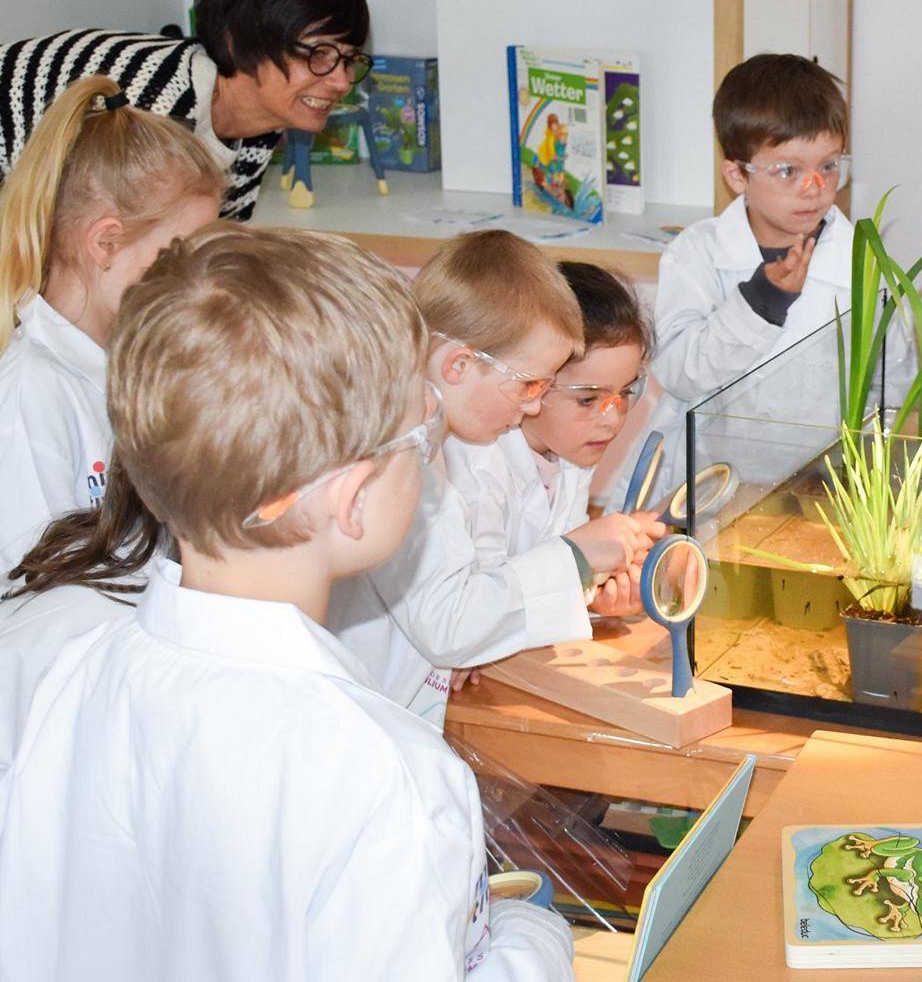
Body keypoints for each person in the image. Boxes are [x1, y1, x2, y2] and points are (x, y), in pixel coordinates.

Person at [0, 225, 576, 979]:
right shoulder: (389, 772)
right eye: (421, 438)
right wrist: (533, 941)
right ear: (353, 498)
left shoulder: (70, 680)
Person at [325, 231, 648, 726]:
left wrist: (584, 582)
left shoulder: (430, 444)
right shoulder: (409, 463)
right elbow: (448, 627)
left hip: (395, 707)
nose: (533, 407)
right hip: (362, 708)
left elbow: (469, 610)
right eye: (528, 385)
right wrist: (577, 559)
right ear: (458, 364)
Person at [0, 77, 224, 734]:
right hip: (66, 712)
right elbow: (33, 612)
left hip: (139, 678)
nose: (196, 282)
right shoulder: (29, 393)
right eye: (178, 256)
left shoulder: (129, 363)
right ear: (105, 244)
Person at [0, 0, 371, 220]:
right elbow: (101, 251)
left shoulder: (256, 124)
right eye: (318, 55)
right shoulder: (154, 105)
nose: (341, 82)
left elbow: (214, 248)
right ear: (240, 42)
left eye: (349, 60)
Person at [634, 53, 853, 503]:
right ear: (736, 174)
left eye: (828, 166)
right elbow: (677, 372)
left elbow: (892, 378)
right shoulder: (696, 255)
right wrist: (760, 303)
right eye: (788, 170)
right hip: (712, 483)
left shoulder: (860, 259)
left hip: (819, 488)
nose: (814, 188)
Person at [443, 261, 661, 616]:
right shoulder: (475, 464)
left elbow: (552, 577)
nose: (612, 418)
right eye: (587, 399)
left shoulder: (570, 453)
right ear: (533, 381)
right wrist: (579, 556)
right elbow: (480, 607)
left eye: (624, 393)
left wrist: (595, 592)